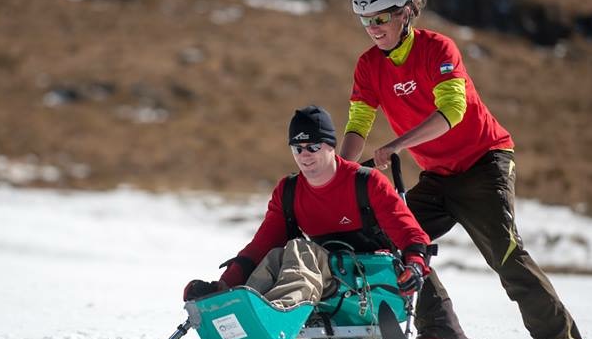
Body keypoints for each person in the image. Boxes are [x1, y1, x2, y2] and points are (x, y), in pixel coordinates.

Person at [341, 0, 588, 339]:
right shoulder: (369, 67)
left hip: (484, 162)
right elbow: (357, 125)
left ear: (405, 12)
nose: (373, 28)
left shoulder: (438, 48)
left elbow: (452, 112)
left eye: (381, 17)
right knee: (389, 239)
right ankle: (442, 337)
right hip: (438, 176)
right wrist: (342, 173)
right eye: (366, 20)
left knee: (505, 253)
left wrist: (397, 146)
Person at [184, 105, 432, 314]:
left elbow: (407, 229)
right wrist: (225, 283)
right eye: (297, 148)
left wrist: (415, 264)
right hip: (320, 279)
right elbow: (262, 245)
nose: (305, 155)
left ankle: (277, 314)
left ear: (331, 146)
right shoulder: (289, 191)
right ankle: (233, 307)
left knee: (300, 250)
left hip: (370, 280)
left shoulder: (366, 182)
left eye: (313, 147)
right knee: (275, 257)